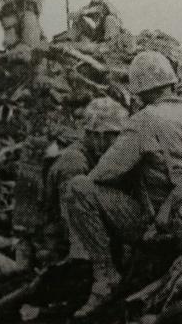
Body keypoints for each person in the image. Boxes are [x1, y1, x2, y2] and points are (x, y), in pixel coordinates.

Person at [63, 51, 182, 317]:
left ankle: (105, 277)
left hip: (159, 225)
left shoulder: (146, 119)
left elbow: (102, 174)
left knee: (79, 187)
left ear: (140, 89)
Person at [42, 98, 129, 260]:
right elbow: (72, 220)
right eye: (116, 135)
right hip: (67, 247)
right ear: (99, 136)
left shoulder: (97, 155)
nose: (120, 141)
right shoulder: (74, 162)